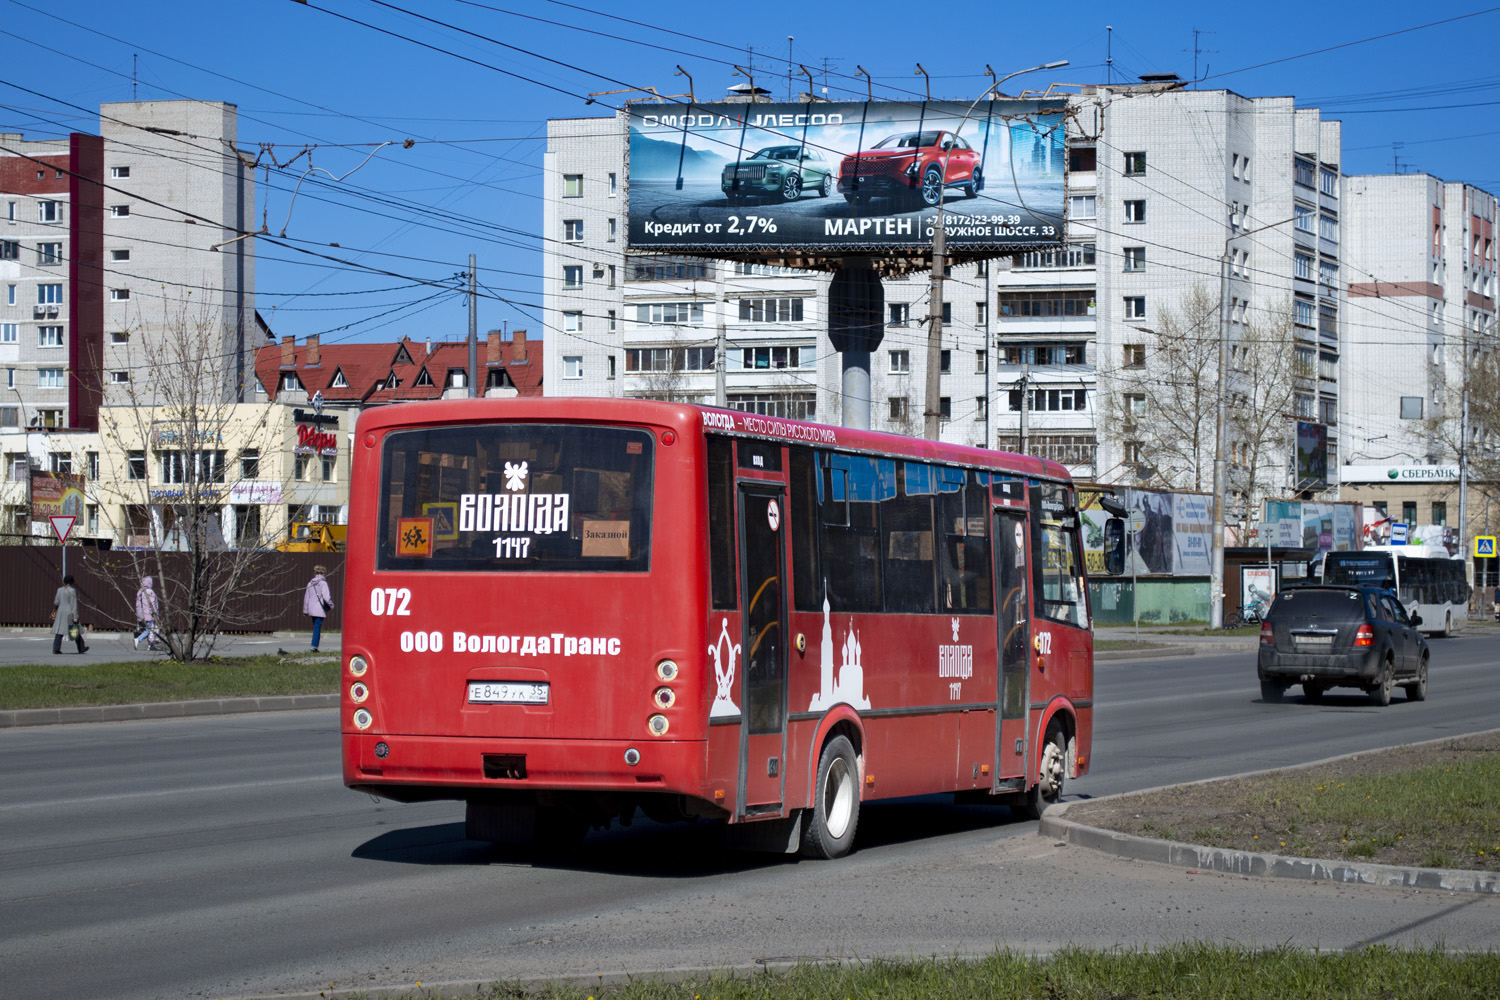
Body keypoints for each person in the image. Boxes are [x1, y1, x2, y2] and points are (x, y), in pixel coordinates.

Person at [52, 574, 88, 655]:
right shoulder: (72, 591)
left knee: (59, 631)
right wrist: (75, 616)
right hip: (69, 613)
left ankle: (56, 649)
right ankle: (81, 648)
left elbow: (56, 602)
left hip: (60, 612)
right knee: (74, 630)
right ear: (71, 582)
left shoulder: (59, 590)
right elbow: (73, 604)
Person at [304, 564, 334, 651]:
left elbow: (306, 597)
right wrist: (331, 605)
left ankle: (314, 646)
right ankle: (314, 647)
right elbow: (326, 597)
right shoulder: (323, 584)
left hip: (311, 608)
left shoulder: (310, 583)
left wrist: (305, 610)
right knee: (317, 627)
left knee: (315, 626)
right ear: (324, 573)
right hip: (319, 609)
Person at [134, 576, 161, 651]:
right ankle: (138, 640)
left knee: (150, 629)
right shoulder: (149, 592)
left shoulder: (140, 592)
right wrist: (154, 614)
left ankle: (150, 645)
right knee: (150, 630)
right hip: (149, 615)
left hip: (142, 615)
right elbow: (152, 604)